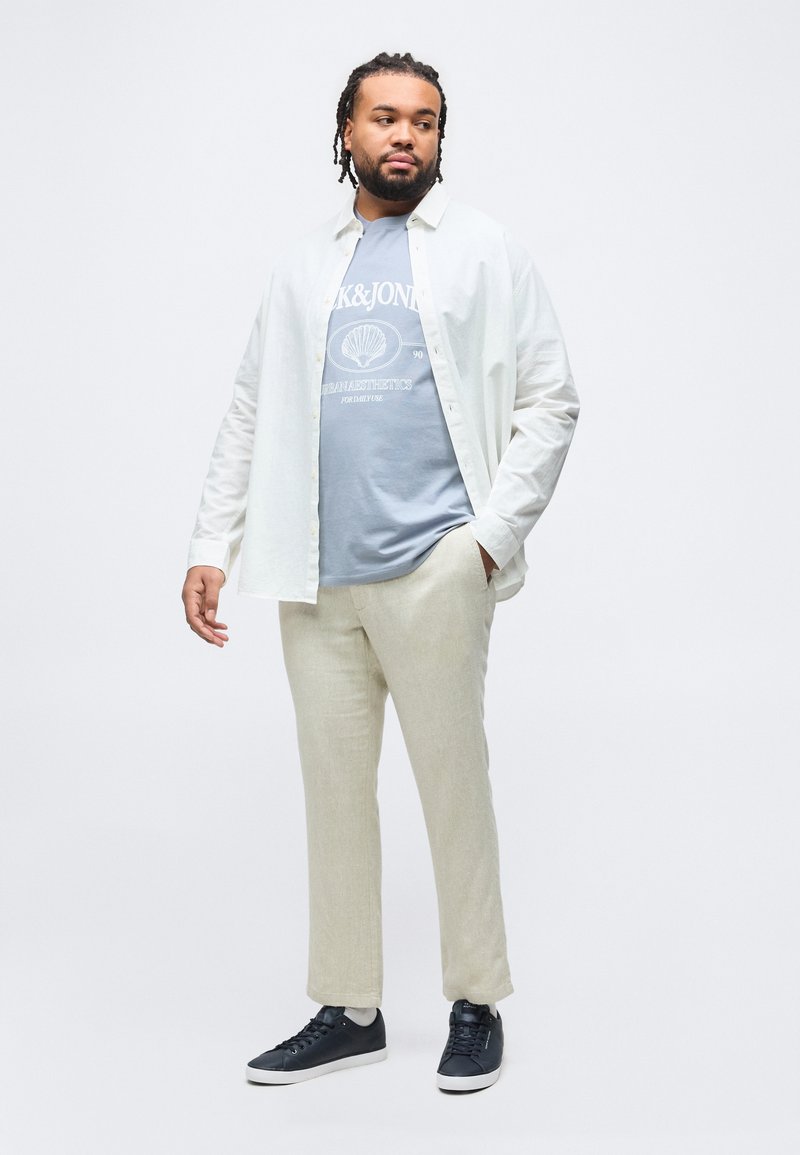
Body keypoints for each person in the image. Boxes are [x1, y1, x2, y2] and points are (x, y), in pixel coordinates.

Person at [181, 51, 580, 1093]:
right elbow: (247, 407)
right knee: (333, 794)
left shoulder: (484, 251)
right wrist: (210, 545)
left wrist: (486, 540)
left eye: (425, 121)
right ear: (346, 131)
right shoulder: (300, 267)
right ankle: (348, 1008)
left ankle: (475, 1000)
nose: (406, 136)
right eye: (386, 117)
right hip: (315, 578)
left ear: (440, 139)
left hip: (433, 568)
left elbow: (551, 400)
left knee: (453, 786)